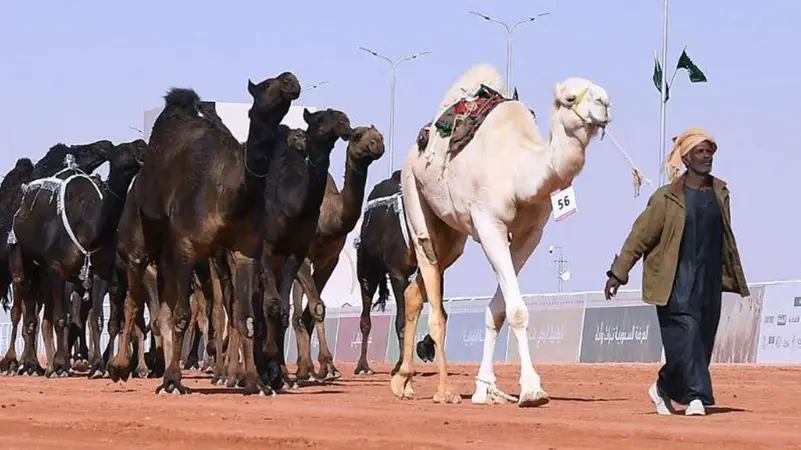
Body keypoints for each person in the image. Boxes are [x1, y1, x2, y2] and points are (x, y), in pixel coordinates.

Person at [603, 127, 749, 416]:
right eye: (700, 151)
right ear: (686, 158)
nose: (706, 156)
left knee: (700, 344)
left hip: (708, 281)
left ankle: (663, 387)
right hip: (673, 281)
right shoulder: (666, 198)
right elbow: (640, 236)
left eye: (709, 151)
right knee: (688, 336)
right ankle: (697, 397)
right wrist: (618, 273)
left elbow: (724, 239)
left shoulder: (720, 192)